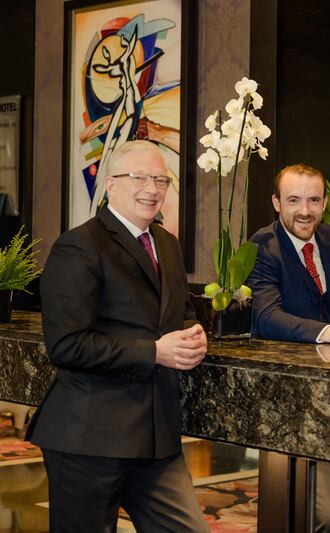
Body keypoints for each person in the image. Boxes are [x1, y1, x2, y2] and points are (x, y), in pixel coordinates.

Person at [27, 140, 209, 532]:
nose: (152, 189)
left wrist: (194, 335)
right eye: (139, 178)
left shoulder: (167, 244)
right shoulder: (79, 245)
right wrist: (155, 352)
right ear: (110, 184)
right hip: (90, 437)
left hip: (156, 438)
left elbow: (182, 311)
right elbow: (67, 344)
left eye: (161, 179)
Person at [247, 163, 330, 532]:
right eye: (293, 200)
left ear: (324, 203)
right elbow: (267, 317)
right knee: (323, 514)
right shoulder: (262, 247)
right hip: (290, 393)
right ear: (276, 202)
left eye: (314, 200)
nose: (305, 210)